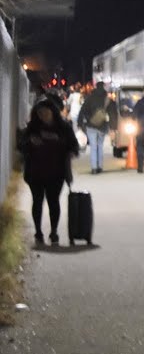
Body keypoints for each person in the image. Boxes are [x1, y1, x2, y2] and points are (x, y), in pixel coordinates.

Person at [19, 98, 79, 245]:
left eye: (46, 113)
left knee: (53, 202)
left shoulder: (63, 127)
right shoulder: (32, 127)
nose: (43, 116)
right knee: (37, 201)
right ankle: (38, 232)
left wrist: (70, 153)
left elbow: (74, 146)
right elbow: (21, 146)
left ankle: (54, 232)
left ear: (53, 112)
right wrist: (30, 142)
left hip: (56, 172)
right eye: (40, 113)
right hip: (35, 172)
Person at [77, 82, 115, 174]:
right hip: (102, 126)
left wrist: (80, 123)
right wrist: (113, 127)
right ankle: (100, 167)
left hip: (91, 125)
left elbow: (83, 111)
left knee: (93, 147)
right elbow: (112, 114)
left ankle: (94, 168)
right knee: (100, 146)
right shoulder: (107, 100)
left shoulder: (90, 98)